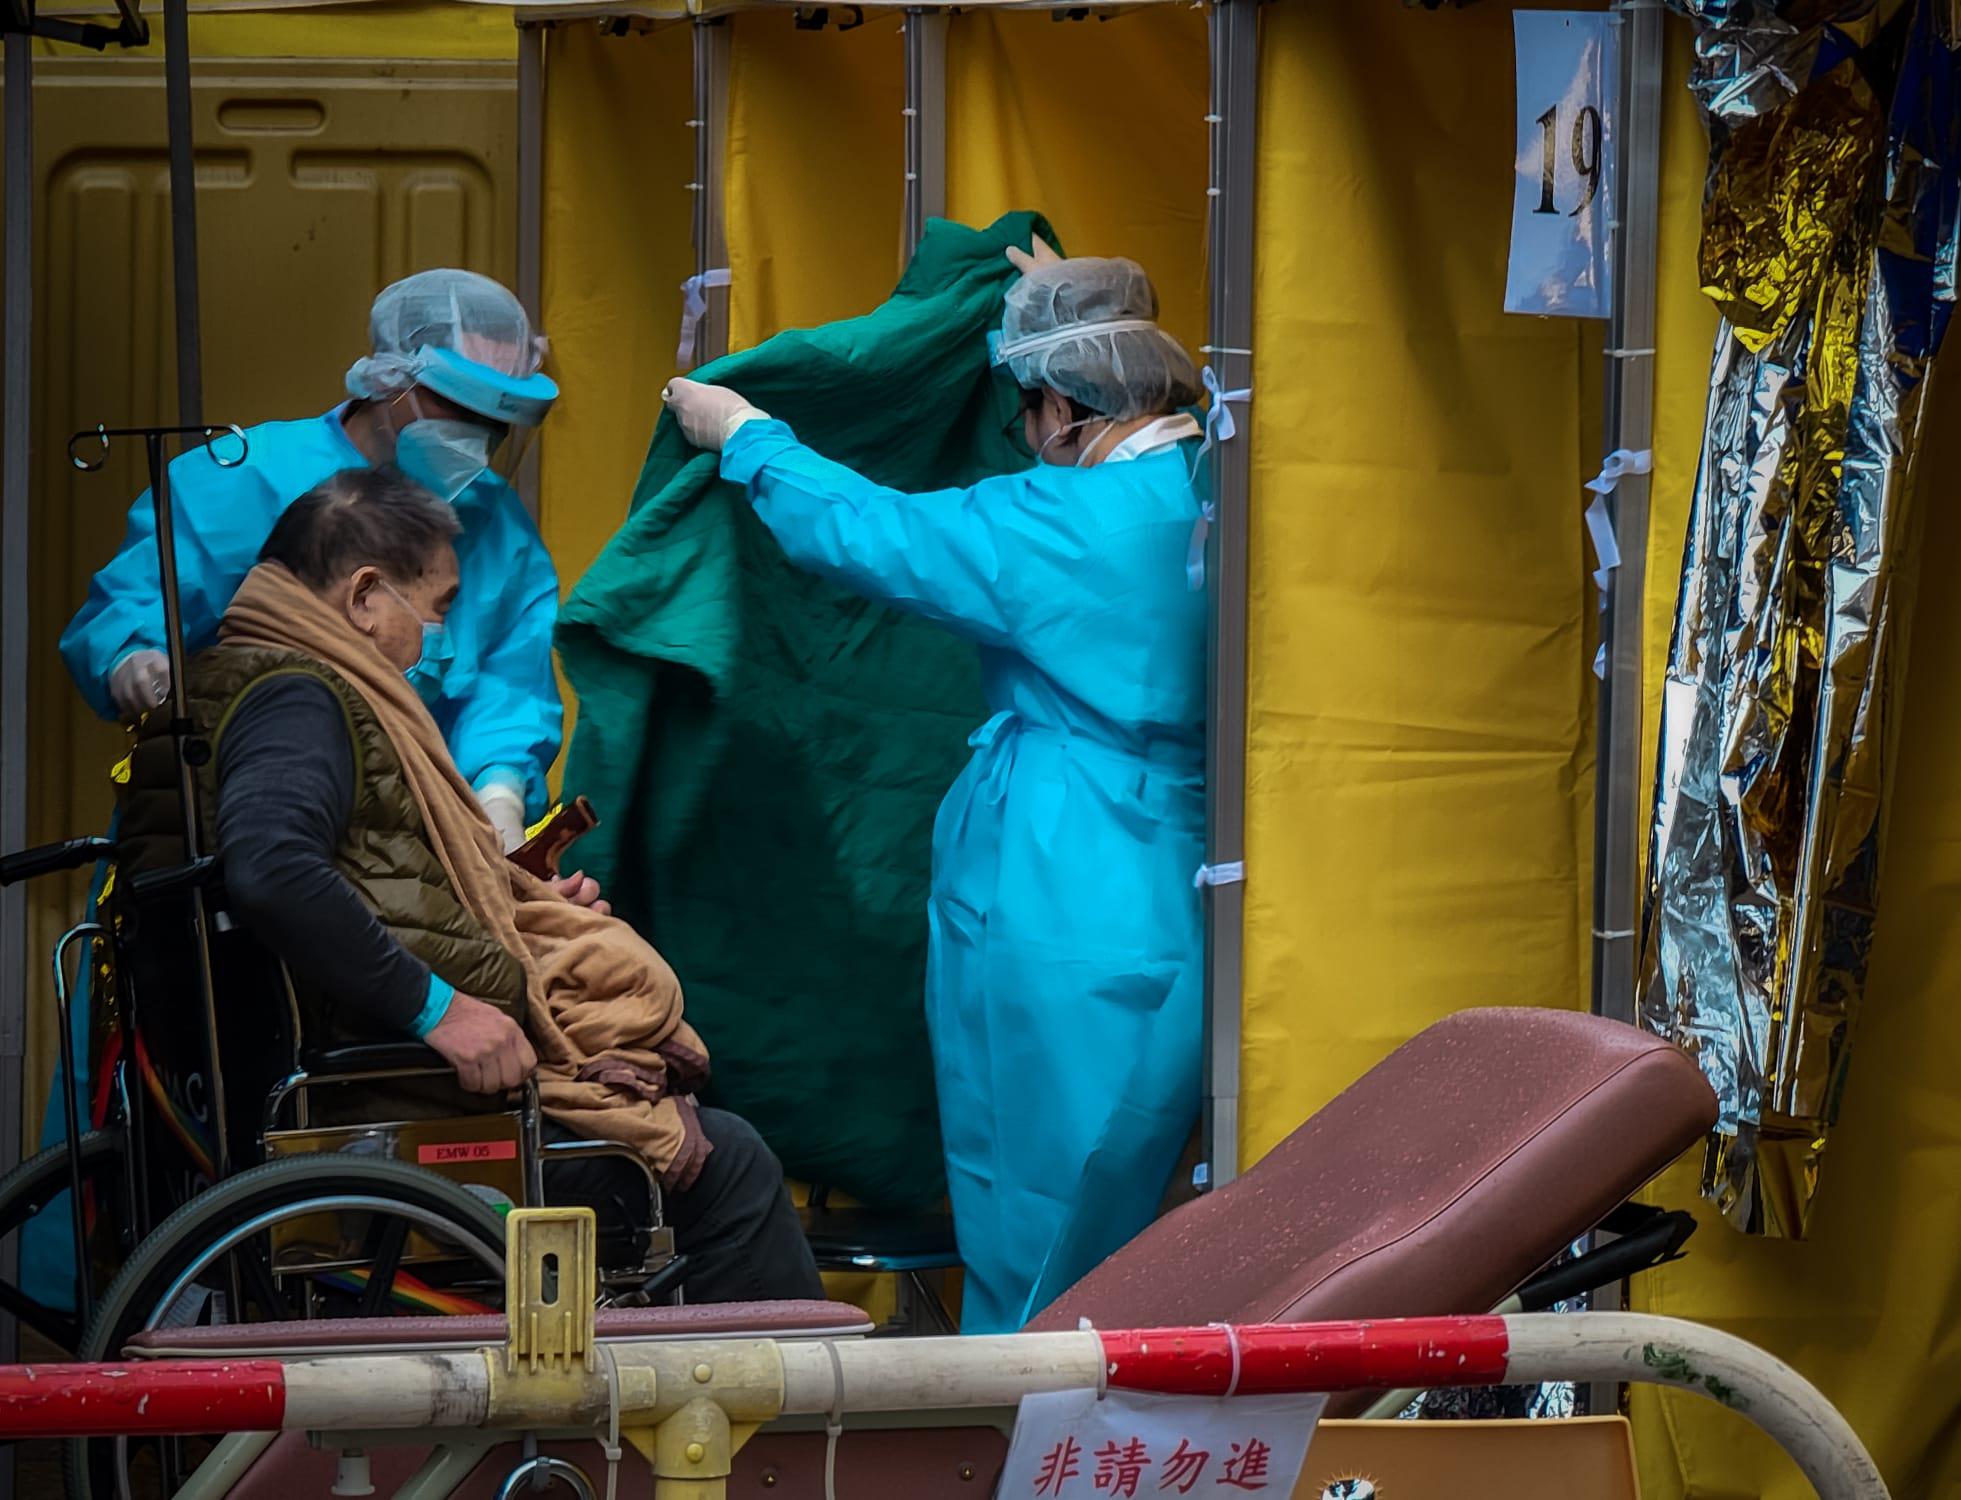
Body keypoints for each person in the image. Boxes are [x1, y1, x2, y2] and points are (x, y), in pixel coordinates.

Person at [662, 238, 1208, 1332]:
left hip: (1062, 879)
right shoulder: (1225, 484)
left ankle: (1023, 1438)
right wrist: (1075, 301)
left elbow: (873, 532)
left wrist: (751, 440)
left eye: (1028, 407)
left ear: (1058, 399)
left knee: (1036, 1188)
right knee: (1147, 1185)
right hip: (1184, 872)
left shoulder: (1060, 523)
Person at [118, 468, 822, 1304]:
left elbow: (372, 881)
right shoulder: (299, 701)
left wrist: (518, 905)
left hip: (329, 1081)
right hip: (382, 1104)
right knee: (728, 1161)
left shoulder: (232, 684)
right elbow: (274, 870)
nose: (436, 639)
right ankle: (781, 1429)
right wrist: (440, 1010)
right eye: (438, 607)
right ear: (366, 596)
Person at [62, 267, 564, 849]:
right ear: (389, 380)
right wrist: (133, 659)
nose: (478, 438)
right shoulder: (242, 478)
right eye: (460, 409)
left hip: (420, 835)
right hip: (240, 816)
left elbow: (511, 683)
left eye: (496, 423)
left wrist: (499, 791)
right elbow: (130, 604)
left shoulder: (498, 527)